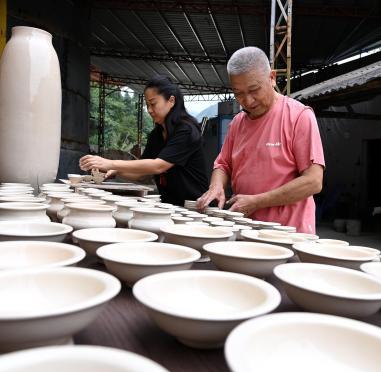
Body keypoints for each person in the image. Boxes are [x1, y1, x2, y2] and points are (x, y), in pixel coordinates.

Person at [196, 47, 325, 234]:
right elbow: (223, 165)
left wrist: (257, 202)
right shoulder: (237, 123)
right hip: (243, 230)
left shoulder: (299, 117)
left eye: (254, 90)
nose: (247, 101)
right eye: (238, 93)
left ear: (272, 78)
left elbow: (313, 181)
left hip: (289, 235)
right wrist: (216, 187)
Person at [80, 75, 208, 206]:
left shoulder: (185, 130)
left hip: (195, 206)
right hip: (170, 205)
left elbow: (158, 166)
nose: (149, 110)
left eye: (153, 104)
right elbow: (142, 174)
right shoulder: (156, 135)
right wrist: (116, 171)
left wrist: (110, 163)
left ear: (171, 101)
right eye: (147, 105)